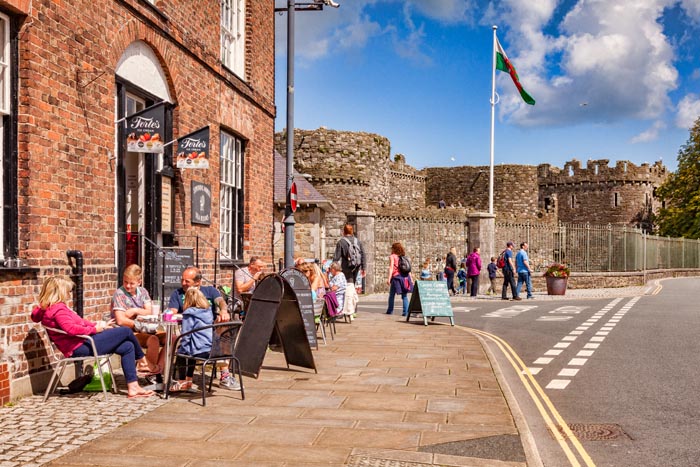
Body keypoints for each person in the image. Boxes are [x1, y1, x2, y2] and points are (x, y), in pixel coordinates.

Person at [31, 276, 155, 398]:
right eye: (68, 291)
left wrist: (98, 325)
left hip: (81, 343)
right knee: (126, 332)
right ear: (60, 292)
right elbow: (71, 329)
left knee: (127, 346)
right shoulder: (59, 310)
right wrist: (95, 329)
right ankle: (143, 362)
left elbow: (79, 322)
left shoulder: (48, 309)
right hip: (80, 346)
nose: (69, 294)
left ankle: (133, 387)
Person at [167, 267, 240, 390]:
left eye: (187, 281)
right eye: (182, 280)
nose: (183, 283)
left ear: (198, 282)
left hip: (209, 331)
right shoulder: (178, 293)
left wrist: (223, 311)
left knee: (222, 328)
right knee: (189, 343)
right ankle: (187, 380)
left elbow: (221, 301)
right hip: (192, 330)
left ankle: (225, 375)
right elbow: (172, 312)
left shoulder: (210, 291)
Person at [110, 264, 164, 376]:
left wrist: (135, 310)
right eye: (125, 282)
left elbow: (151, 311)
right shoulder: (119, 294)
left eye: (131, 283)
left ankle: (157, 368)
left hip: (145, 329)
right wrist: (140, 325)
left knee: (172, 339)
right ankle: (148, 369)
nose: (128, 286)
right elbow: (121, 320)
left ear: (139, 282)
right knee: (153, 340)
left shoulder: (142, 292)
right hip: (126, 332)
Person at [169, 288, 213, 392]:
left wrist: (182, 349)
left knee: (181, 352)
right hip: (209, 349)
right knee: (191, 348)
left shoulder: (189, 313)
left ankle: (182, 381)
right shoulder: (208, 311)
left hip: (199, 350)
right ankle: (189, 380)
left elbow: (186, 335)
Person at [333, 224, 365, 316]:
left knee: (347, 288)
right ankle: (353, 309)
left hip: (346, 268)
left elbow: (336, 257)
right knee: (353, 287)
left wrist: (332, 269)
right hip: (357, 267)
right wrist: (364, 267)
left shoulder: (341, 242)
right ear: (352, 231)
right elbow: (363, 254)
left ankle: (349, 310)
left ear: (344, 231)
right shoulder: (357, 241)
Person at [386, 242, 413, 316]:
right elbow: (408, 269)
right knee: (404, 296)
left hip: (396, 278)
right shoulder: (404, 257)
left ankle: (390, 310)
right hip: (405, 277)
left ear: (394, 249)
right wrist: (411, 279)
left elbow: (391, 268)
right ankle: (406, 312)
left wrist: (389, 279)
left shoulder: (392, 256)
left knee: (392, 295)